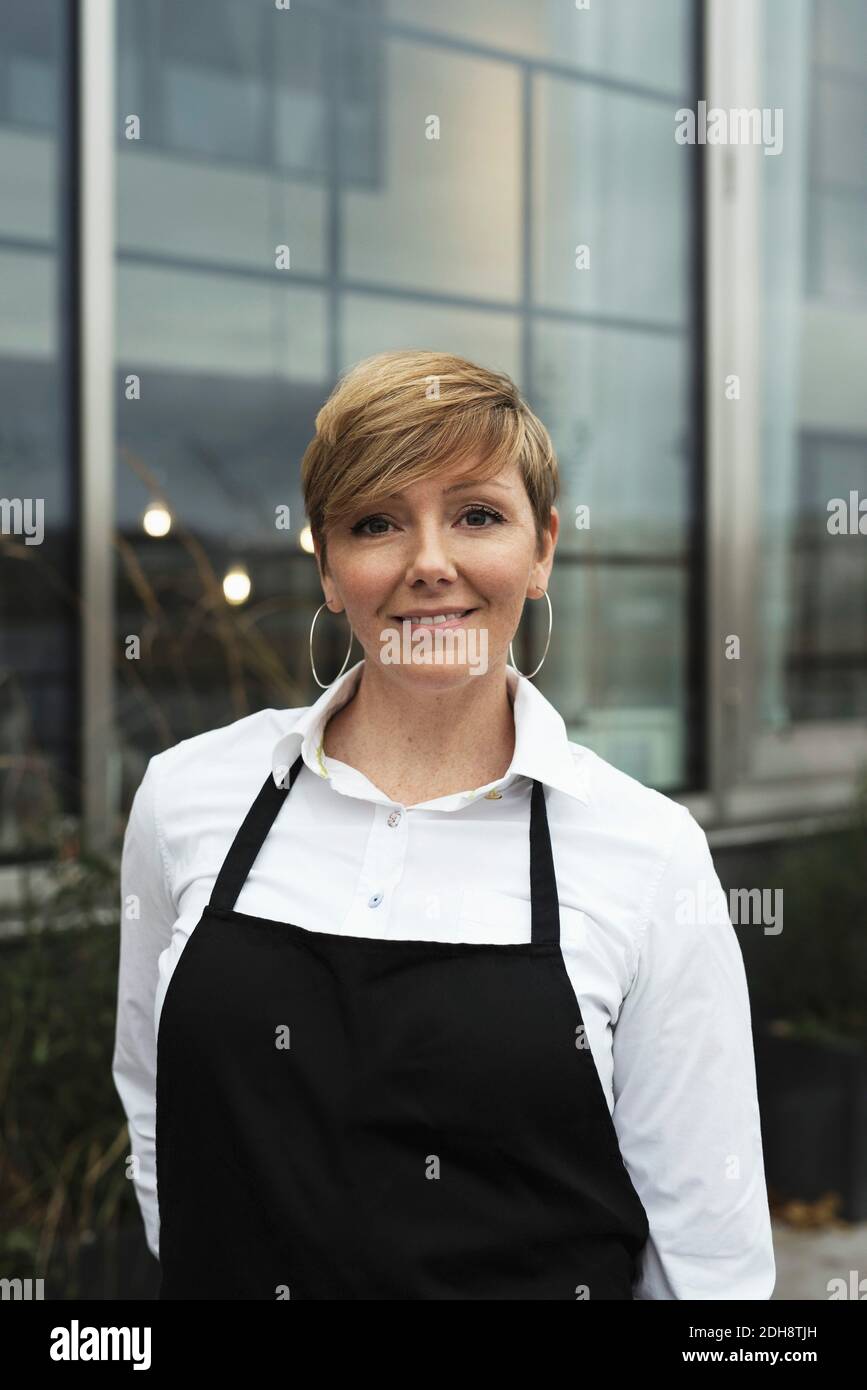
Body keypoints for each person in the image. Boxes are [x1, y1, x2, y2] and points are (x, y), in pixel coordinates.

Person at [112, 349, 776, 1300]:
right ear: (331, 568)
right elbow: (154, 1110)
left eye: (476, 515)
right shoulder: (188, 799)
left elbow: (710, 1261)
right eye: (376, 523)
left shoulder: (647, 854)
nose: (429, 564)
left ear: (541, 549)